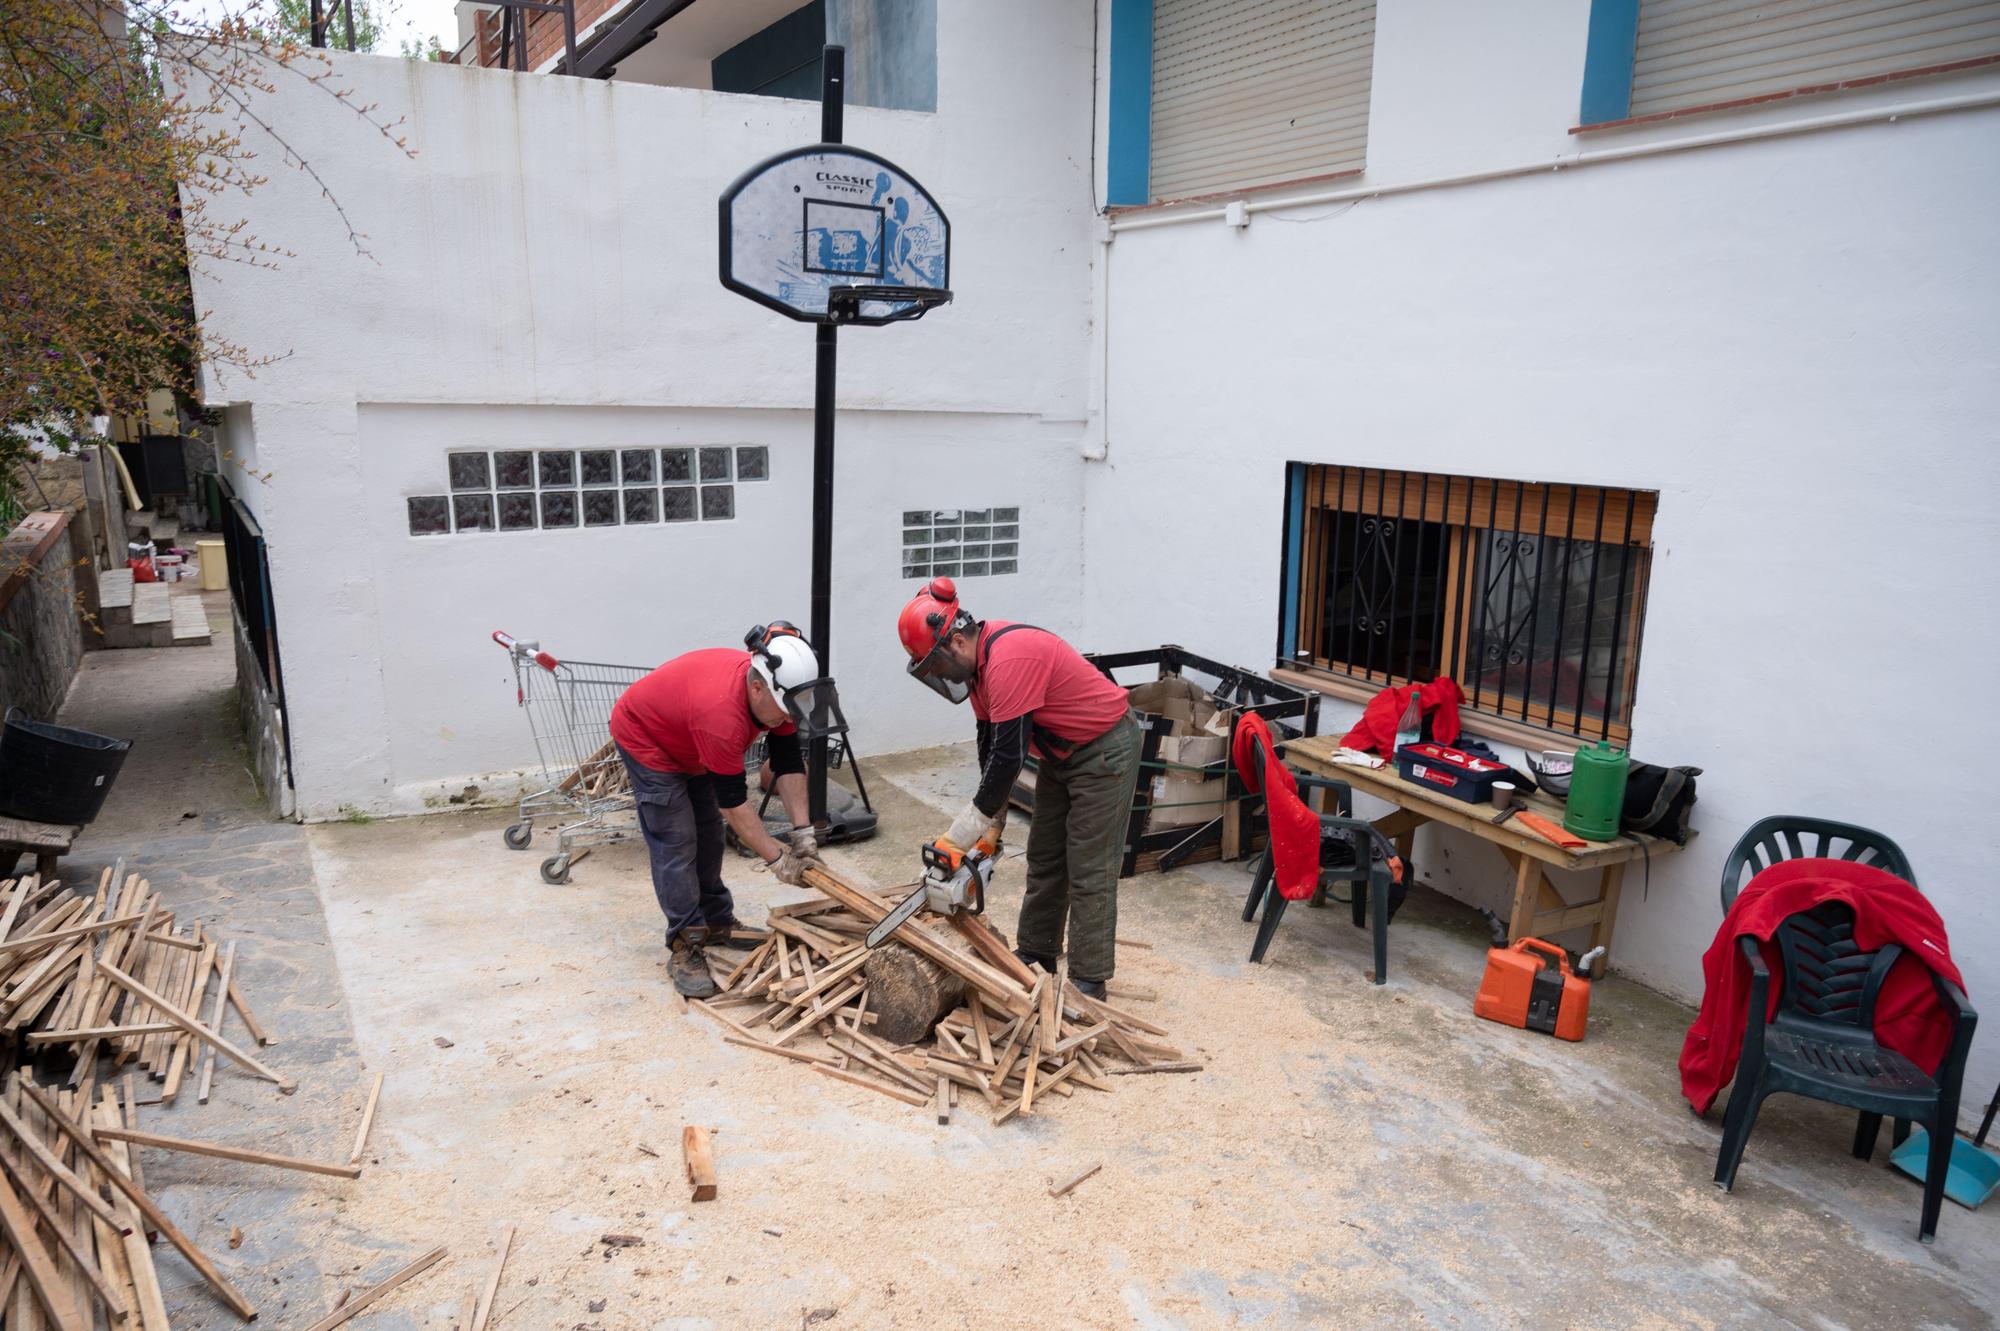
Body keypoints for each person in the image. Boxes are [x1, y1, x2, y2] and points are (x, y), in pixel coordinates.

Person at [896, 578, 1140, 998]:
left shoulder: (1009, 659)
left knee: (1088, 864)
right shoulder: (979, 673)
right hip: (1060, 755)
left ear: (955, 641)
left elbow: (1010, 758)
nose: (935, 673)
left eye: (934, 664)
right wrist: (992, 824)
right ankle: (1036, 952)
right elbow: (991, 747)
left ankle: (1089, 978)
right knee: (1045, 855)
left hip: (1103, 750)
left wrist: (960, 836)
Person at [611, 624, 825, 997]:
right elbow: (734, 804)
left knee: (709, 831)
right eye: (785, 710)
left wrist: (803, 833)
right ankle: (686, 942)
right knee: (677, 839)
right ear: (756, 688)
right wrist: (778, 860)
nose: (789, 719)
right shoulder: (722, 716)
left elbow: (789, 766)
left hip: (691, 739)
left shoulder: (778, 697)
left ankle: (716, 920)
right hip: (649, 739)